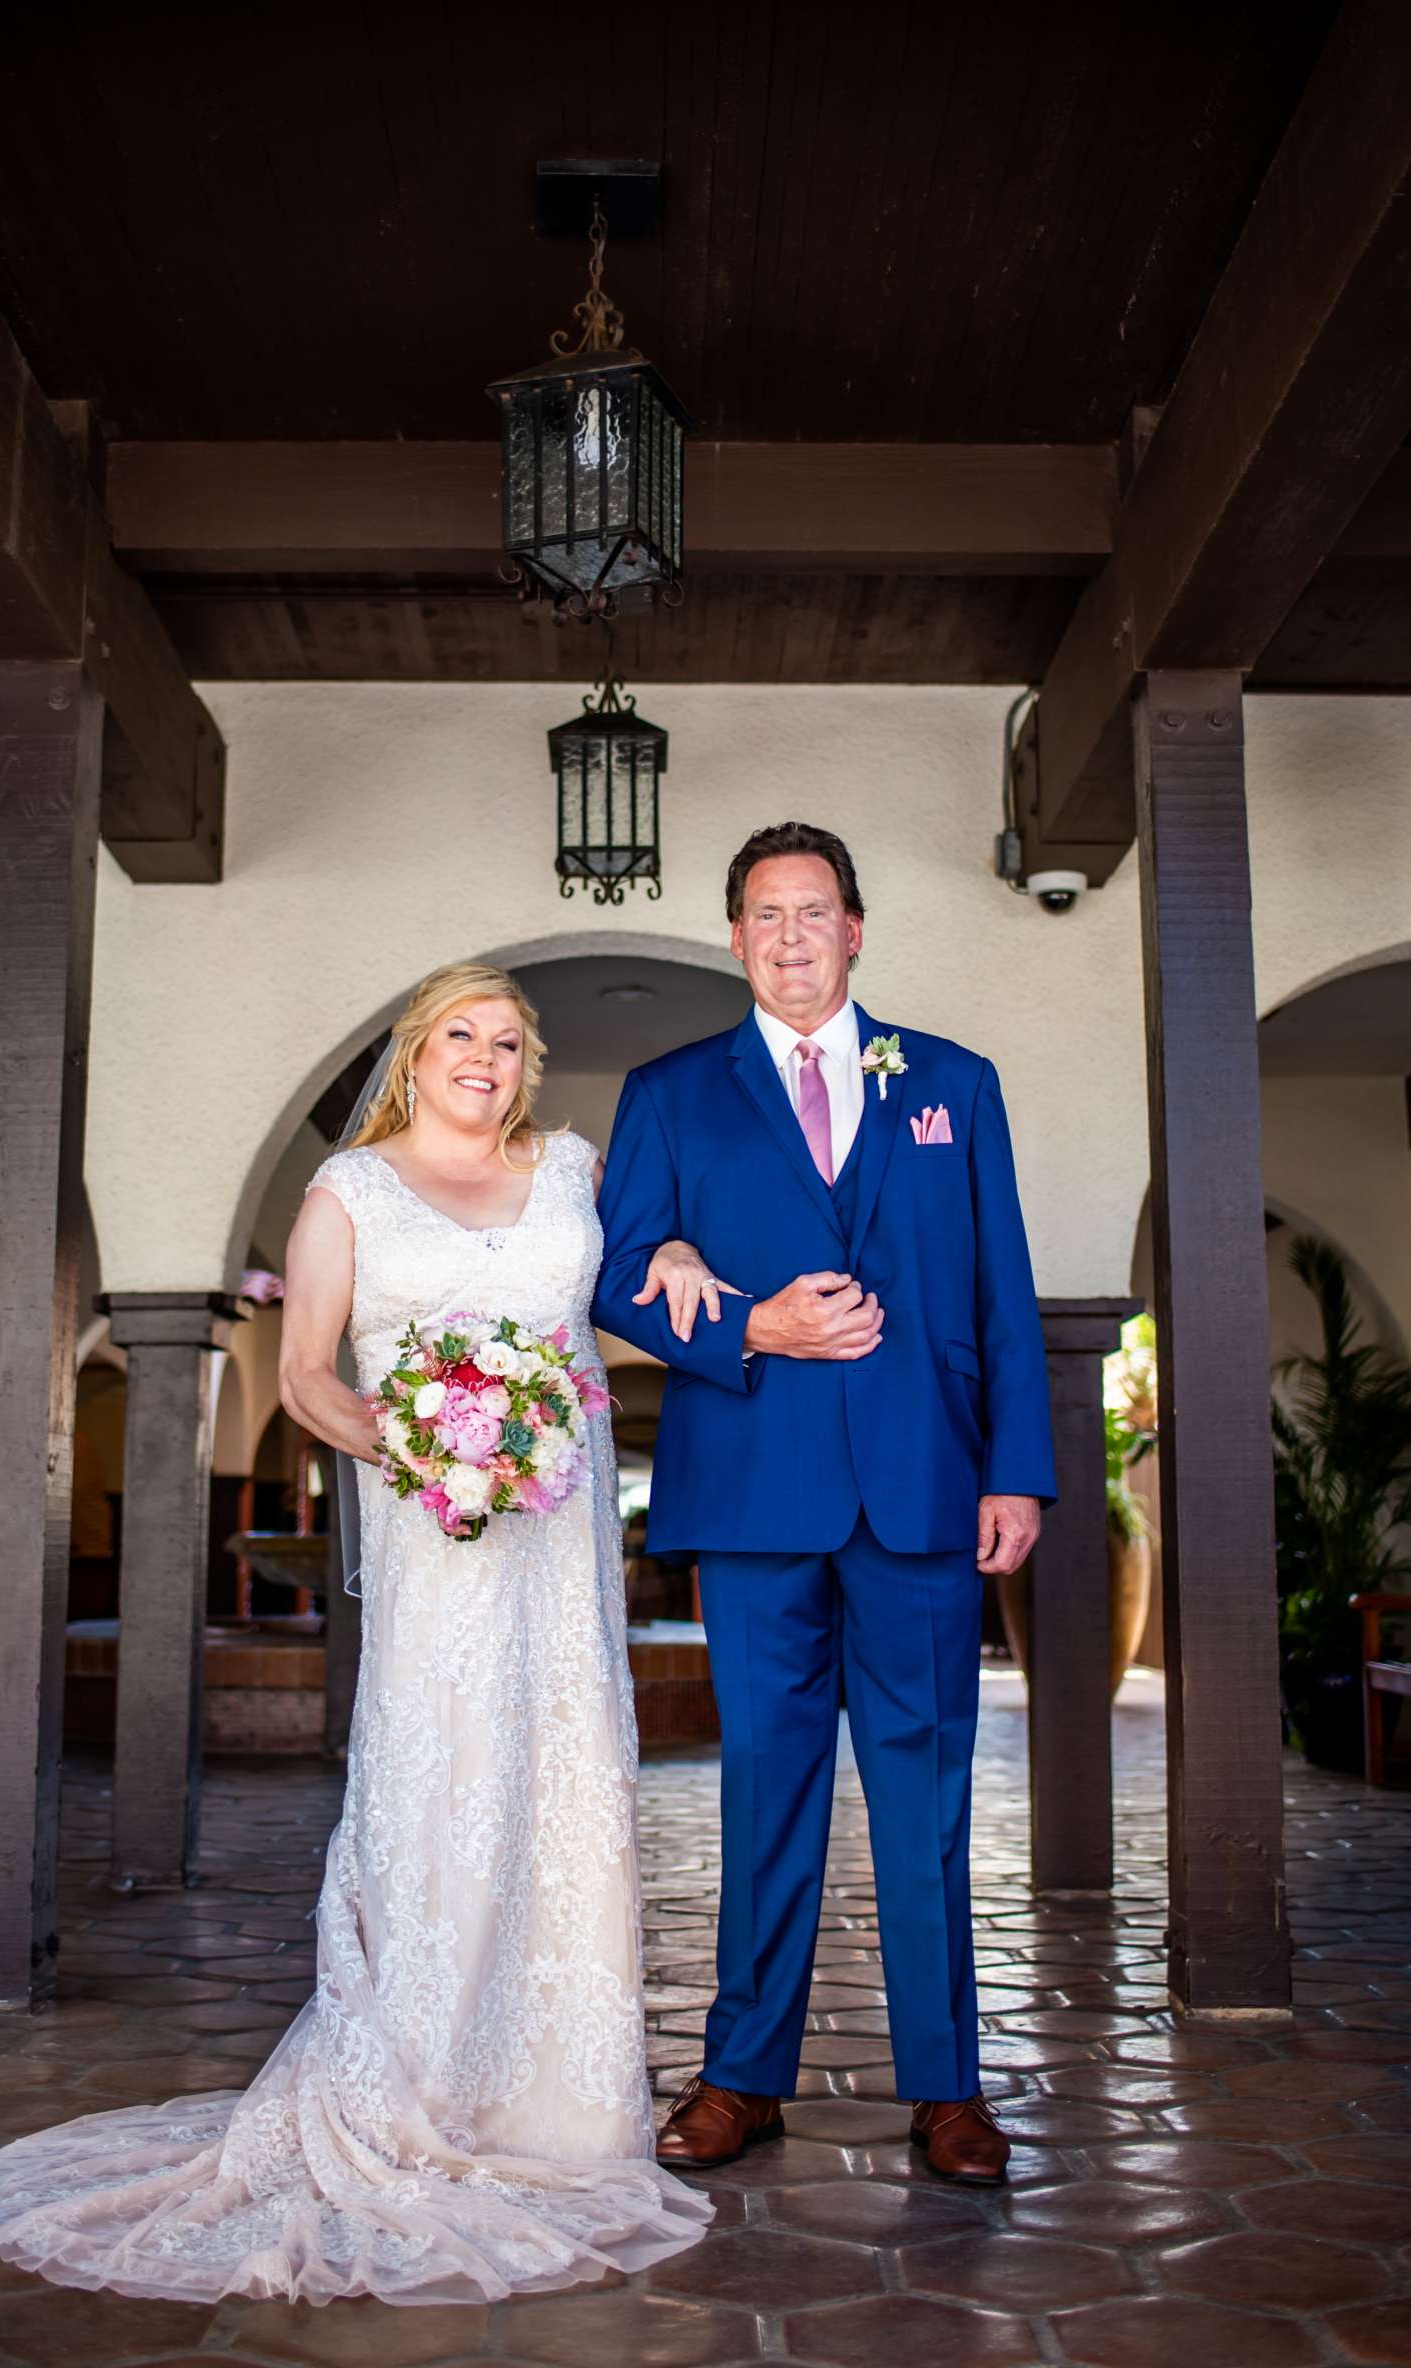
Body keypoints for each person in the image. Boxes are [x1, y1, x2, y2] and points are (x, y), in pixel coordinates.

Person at [0, 961, 712, 2306]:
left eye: (509, 1041)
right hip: (437, 1536)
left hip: (560, 1531)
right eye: (462, 1036)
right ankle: (412, 2086)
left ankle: (561, 2110)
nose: (486, 1057)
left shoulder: (575, 1167)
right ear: (416, 1054)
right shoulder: (348, 1193)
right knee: (441, 1790)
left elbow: (625, 1287)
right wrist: (429, 1455)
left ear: (529, 1065)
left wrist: (680, 1255)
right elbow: (307, 1377)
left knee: (564, 1786)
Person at [593, 822, 1056, 2186]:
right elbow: (616, 1276)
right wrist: (754, 1327)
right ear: (732, 938)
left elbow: (999, 1290)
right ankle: (742, 2073)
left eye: (813, 910)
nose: (789, 935)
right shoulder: (671, 1092)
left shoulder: (952, 1086)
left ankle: (946, 2086)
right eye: (762, 914)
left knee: (925, 1797)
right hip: (752, 1492)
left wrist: (1015, 1466)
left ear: (855, 928)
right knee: (763, 1791)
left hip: (921, 1490)